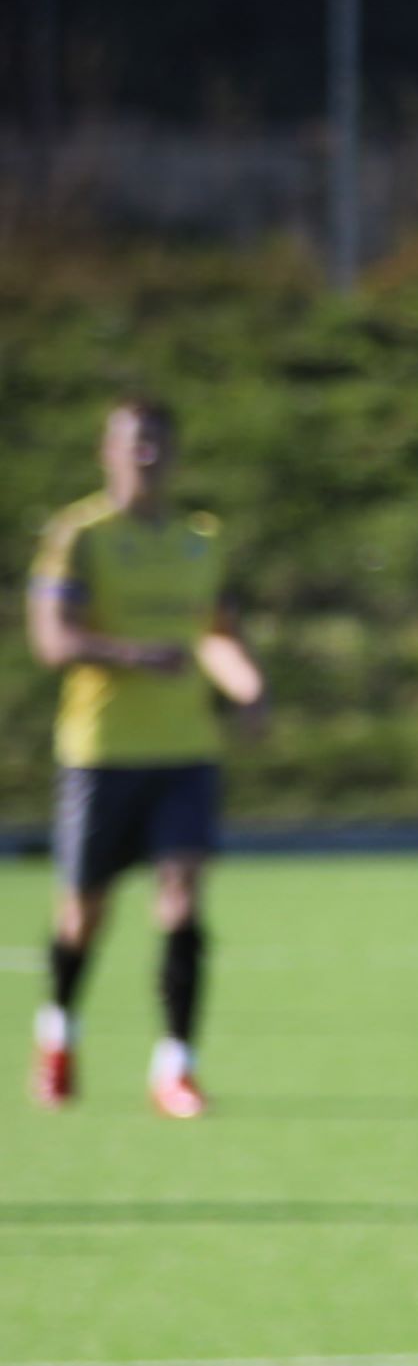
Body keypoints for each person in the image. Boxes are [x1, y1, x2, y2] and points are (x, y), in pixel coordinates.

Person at [31, 398, 266, 1119]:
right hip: (102, 752)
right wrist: (134, 655)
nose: (147, 457)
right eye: (134, 444)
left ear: (175, 453)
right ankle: (60, 1032)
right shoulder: (81, 536)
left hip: (185, 750)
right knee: (84, 914)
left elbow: (215, 634)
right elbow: (53, 640)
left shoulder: (200, 541)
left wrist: (248, 687)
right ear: (108, 451)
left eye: (158, 443)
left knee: (182, 898)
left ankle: (176, 1066)